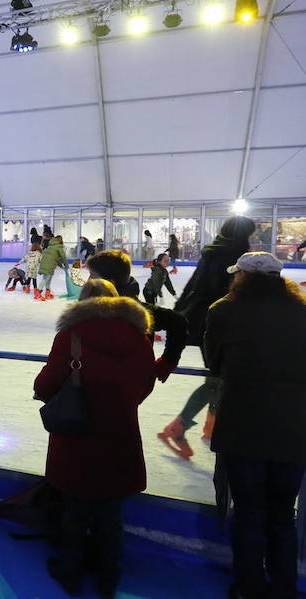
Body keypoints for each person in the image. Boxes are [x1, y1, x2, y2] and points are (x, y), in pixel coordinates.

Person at [34, 281, 157, 598]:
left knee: (74, 507)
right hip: (119, 431)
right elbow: (145, 383)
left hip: (78, 433)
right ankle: (108, 576)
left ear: (82, 302)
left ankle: (70, 573)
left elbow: (46, 384)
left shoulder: (71, 335)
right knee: (110, 510)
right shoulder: (139, 336)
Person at [202, 252, 306, 599]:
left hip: (243, 425)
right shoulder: (302, 312)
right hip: (294, 428)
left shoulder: (224, 311)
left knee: (248, 511)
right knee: (282, 514)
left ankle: (249, 587)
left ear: (241, 277)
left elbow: (214, 363)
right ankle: (284, 588)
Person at [158, 216, 256, 459]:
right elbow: (219, 289)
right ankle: (179, 427)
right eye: (251, 234)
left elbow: (194, 283)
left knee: (218, 377)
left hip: (203, 319)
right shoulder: (232, 253)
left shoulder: (213, 251)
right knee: (216, 378)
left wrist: (180, 312)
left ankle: (209, 425)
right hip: (217, 323)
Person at [86, 250, 188, 387]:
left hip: (117, 388)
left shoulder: (139, 313)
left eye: (92, 276)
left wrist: (168, 361)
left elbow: (178, 322)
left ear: (109, 282)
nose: (88, 281)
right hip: (127, 389)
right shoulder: (92, 310)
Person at [38, 235, 67, 301]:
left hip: (48, 263)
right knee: (46, 278)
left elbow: (56, 258)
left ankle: (47, 292)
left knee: (48, 278)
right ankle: (38, 293)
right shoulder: (58, 247)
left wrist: (60, 265)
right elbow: (63, 257)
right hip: (49, 264)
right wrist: (66, 265)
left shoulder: (50, 246)